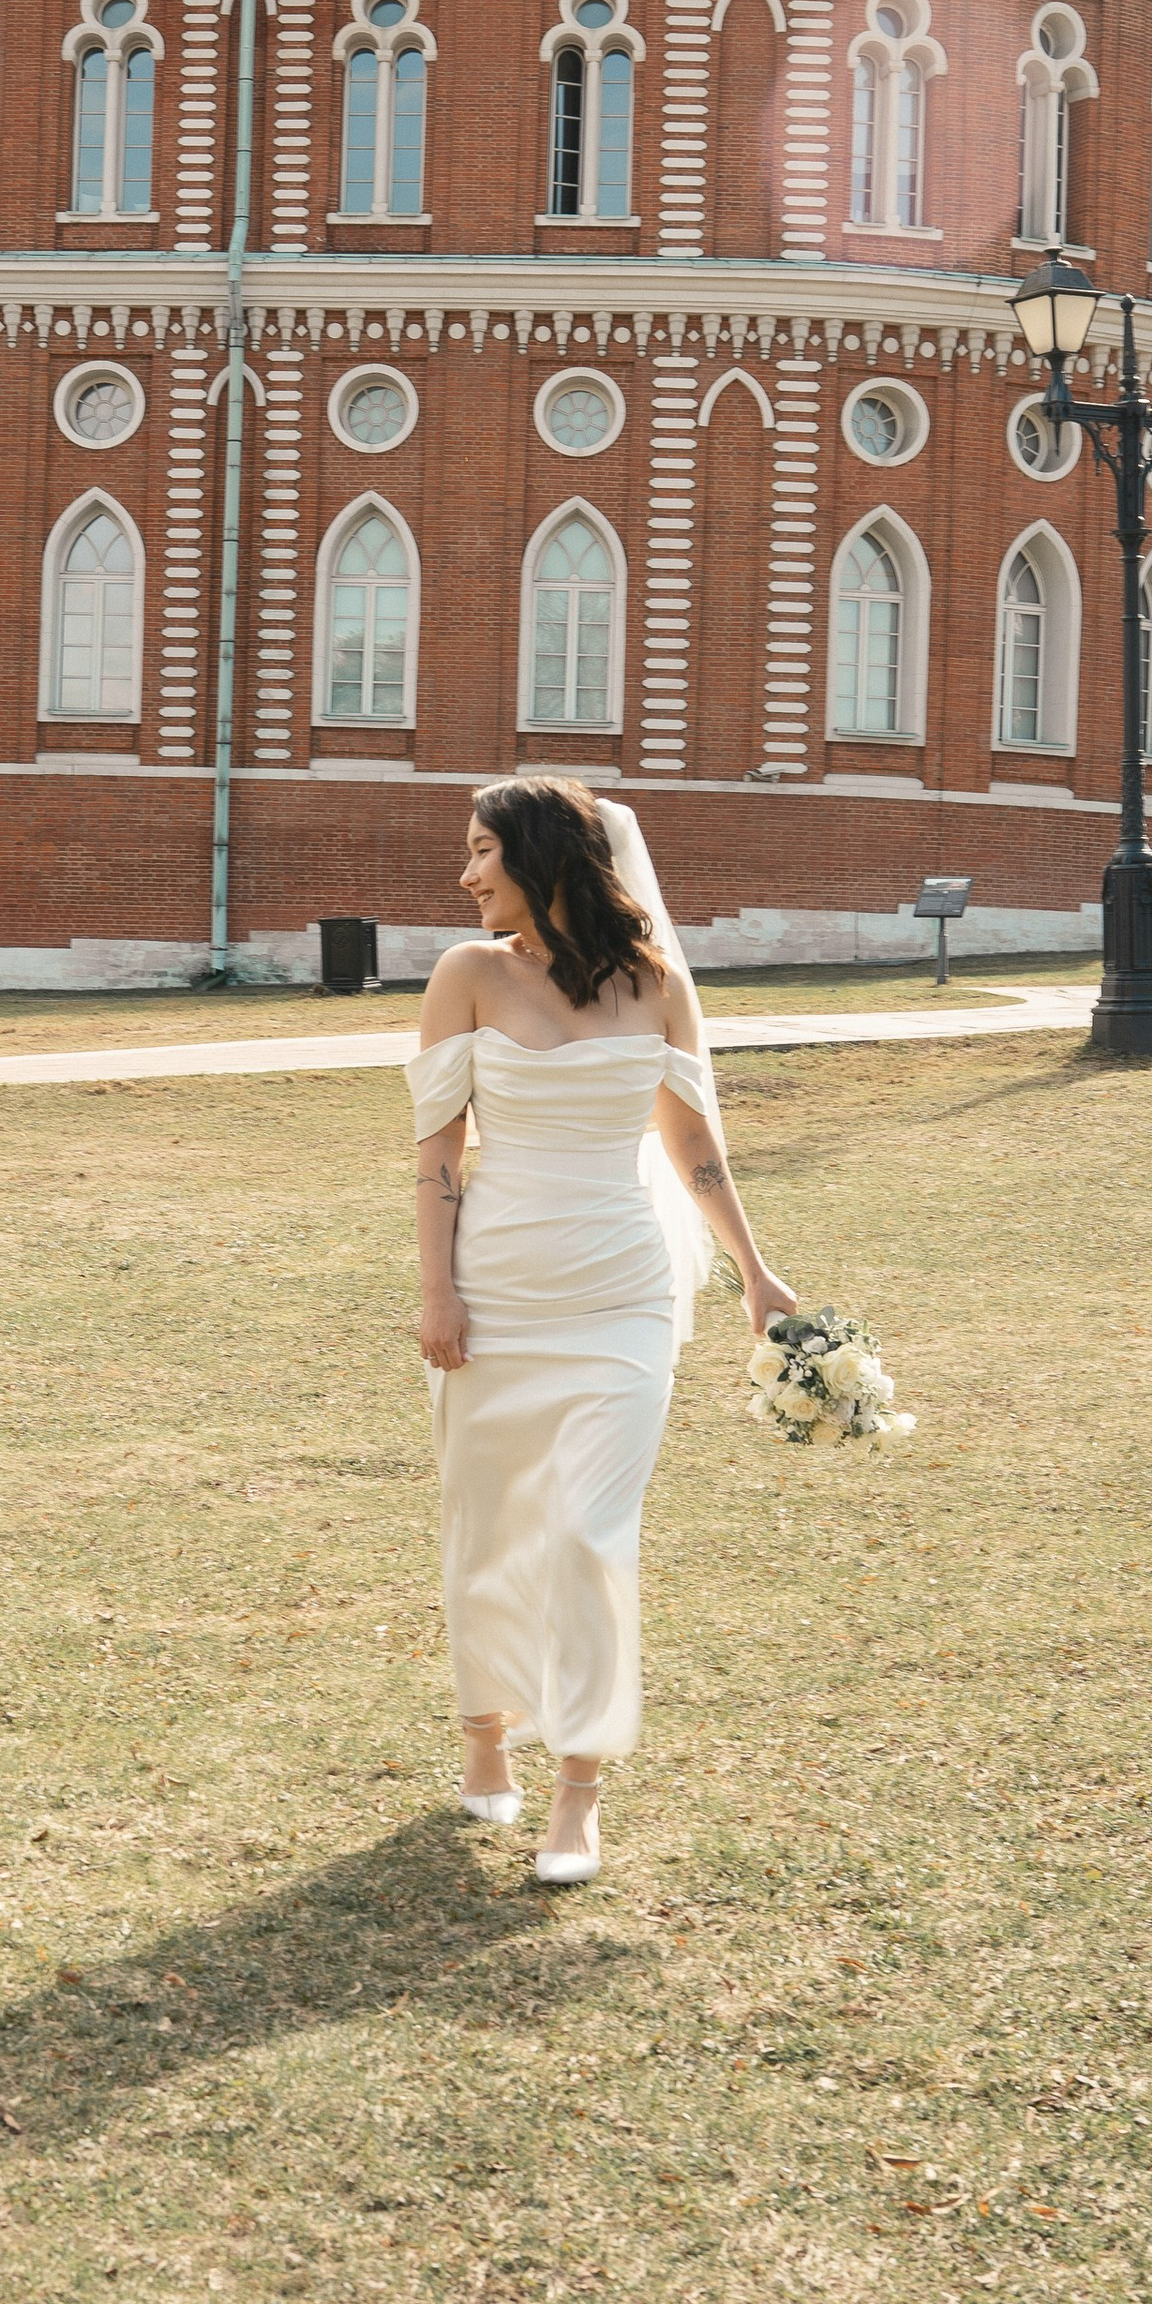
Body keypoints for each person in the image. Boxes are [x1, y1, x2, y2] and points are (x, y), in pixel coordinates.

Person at [408, 778, 793, 1885]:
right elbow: (437, 1153)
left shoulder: (656, 984)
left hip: (621, 1296)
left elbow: (694, 1149)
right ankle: (486, 1733)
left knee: (587, 1531)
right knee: (489, 1526)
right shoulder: (465, 977)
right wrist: (438, 1294)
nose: (465, 875)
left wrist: (755, 1273)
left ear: (542, 856)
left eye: (482, 852)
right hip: (497, 1290)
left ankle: (577, 1790)